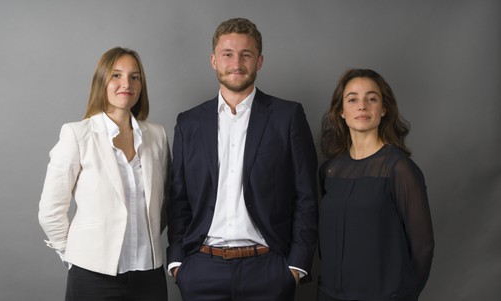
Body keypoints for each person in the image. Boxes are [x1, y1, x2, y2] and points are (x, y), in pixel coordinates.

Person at [166, 18, 319, 301]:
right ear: (214, 60)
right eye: (227, 54)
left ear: (259, 61)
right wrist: (178, 262)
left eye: (245, 54)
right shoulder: (189, 123)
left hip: (268, 271)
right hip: (201, 270)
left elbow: (306, 195)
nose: (236, 63)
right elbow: (179, 197)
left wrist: (295, 266)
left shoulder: (287, 117)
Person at [38, 47, 170, 301]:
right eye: (116, 75)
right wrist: (77, 256)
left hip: (149, 275)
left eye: (135, 77)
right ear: (102, 81)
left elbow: (164, 205)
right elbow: (50, 210)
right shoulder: (77, 134)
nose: (126, 84)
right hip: (92, 275)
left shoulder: (157, 136)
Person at [317, 69, 434, 301]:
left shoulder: (400, 169)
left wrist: (403, 295)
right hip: (329, 295)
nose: (362, 106)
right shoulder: (329, 171)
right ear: (341, 110)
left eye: (372, 98)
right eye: (352, 99)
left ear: (384, 109)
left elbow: (423, 247)